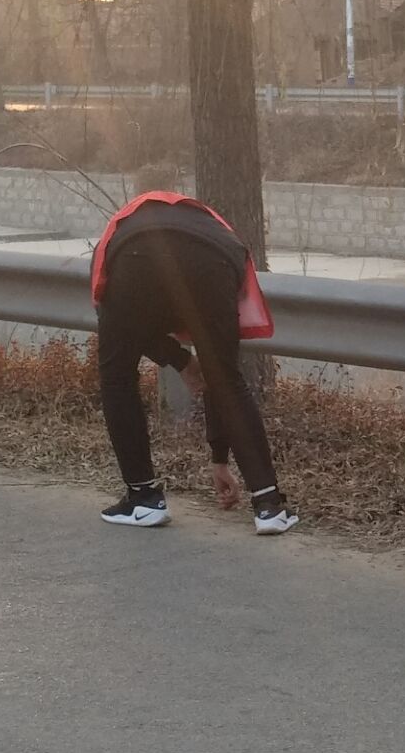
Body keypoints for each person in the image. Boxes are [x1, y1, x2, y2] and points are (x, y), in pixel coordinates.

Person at [90, 190, 297, 535]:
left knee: (117, 376)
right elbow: (217, 378)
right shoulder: (209, 224)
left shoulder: (116, 235)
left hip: (134, 255)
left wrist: (179, 360)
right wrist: (184, 360)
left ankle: (143, 499)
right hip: (215, 258)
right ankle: (269, 506)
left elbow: (121, 323)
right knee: (226, 377)